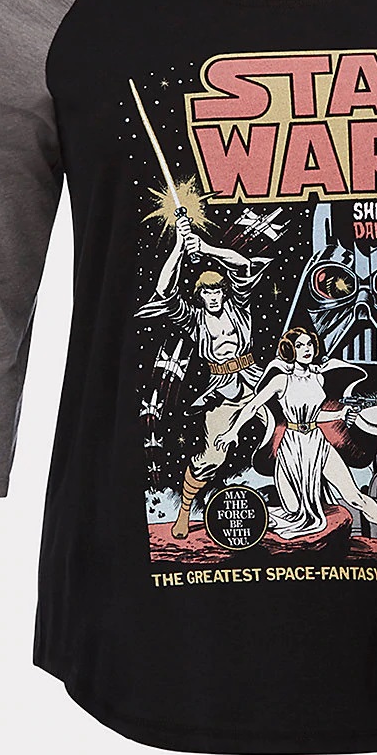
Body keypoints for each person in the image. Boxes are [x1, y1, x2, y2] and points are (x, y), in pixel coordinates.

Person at [214, 326, 377, 555]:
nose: (306, 349)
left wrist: (340, 414)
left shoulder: (318, 378)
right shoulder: (281, 380)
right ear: (290, 350)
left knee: (354, 497)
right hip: (291, 449)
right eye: (300, 345)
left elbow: (315, 415)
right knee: (293, 511)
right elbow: (252, 406)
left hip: (317, 444)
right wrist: (232, 431)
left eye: (309, 344)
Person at [136, 212, 269, 539]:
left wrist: (206, 248)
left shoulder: (239, 306)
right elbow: (164, 289)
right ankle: (184, 512)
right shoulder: (194, 319)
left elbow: (243, 265)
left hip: (257, 379)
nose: (213, 297)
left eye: (218, 291)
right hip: (222, 388)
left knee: (301, 422)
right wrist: (180, 247)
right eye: (207, 293)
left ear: (224, 291)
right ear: (200, 295)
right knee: (210, 457)